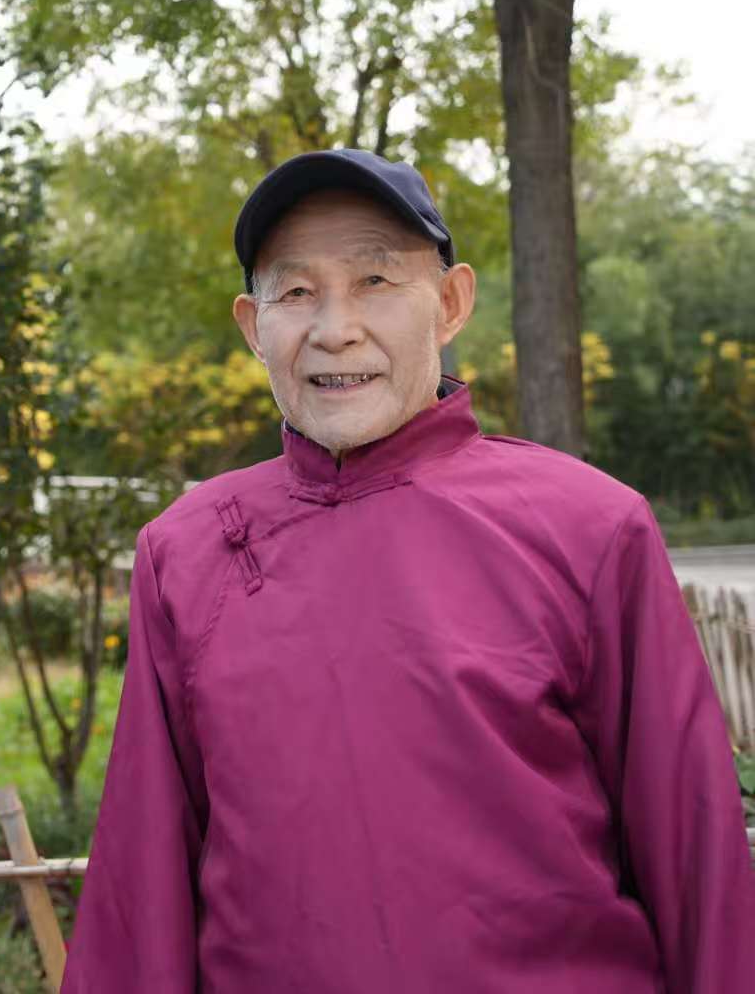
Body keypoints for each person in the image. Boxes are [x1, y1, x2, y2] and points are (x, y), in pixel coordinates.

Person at [62, 149, 755, 992]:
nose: (335, 329)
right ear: (252, 326)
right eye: (296, 292)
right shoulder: (186, 549)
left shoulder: (590, 528)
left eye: (376, 280)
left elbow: (696, 861)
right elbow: (143, 880)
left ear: (451, 303)